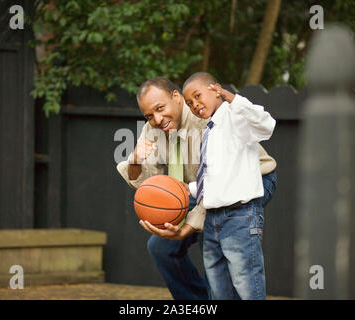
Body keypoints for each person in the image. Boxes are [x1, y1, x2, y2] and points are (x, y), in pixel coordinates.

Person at [116, 76, 277, 300]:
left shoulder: (205, 117)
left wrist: (190, 226)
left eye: (160, 108)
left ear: (177, 97)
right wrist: (134, 161)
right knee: (161, 247)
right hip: (195, 189)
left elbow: (218, 184)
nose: (157, 118)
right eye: (149, 115)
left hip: (251, 180)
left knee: (213, 239)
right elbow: (146, 185)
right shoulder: (155, 128)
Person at [182, 72, 276, 300]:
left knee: (246, 283)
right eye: (189, 103)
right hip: (213, 219)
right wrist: (190, 189)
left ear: (215, 90)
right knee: (218, 287)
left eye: (198, 96)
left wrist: (233, 98)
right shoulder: (211, 129)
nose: (195, 105)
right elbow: (217, 176)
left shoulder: (236, 117)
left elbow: (267, 124)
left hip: (239, 217)